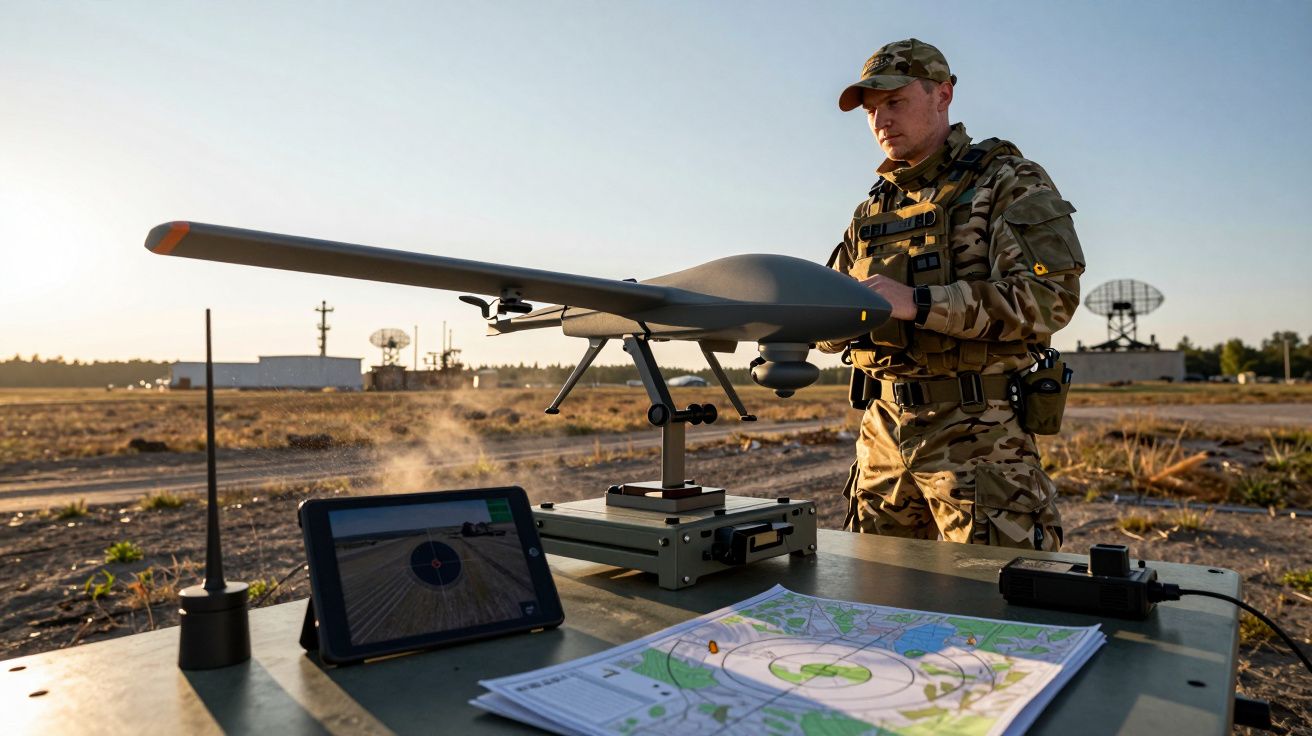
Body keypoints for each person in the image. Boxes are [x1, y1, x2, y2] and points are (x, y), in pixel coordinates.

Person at [819, 39, 1084, 550]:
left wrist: (918, 303)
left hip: (980, 439)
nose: (880, 121)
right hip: (882, 439)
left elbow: (1050, 296)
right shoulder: (872, 211)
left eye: (894, 102)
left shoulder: (1006, 181)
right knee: (876, 602)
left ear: (942, 94)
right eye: (872, 110)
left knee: (996, 608)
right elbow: (830, 320)